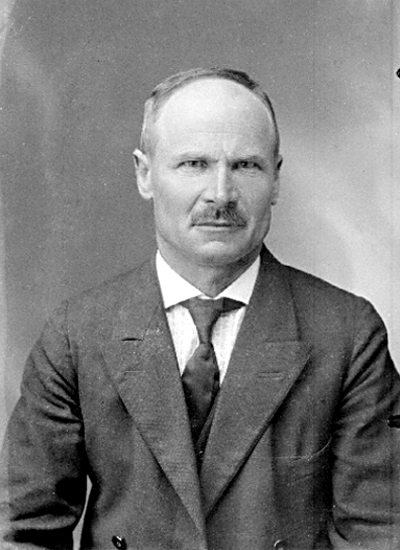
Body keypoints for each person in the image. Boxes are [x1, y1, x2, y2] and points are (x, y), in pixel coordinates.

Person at [1, 67, 400, 550]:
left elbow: (380, 533)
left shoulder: (347, 334)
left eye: (246, 166)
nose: (221, 194)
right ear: (145, 174)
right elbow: (22, 532)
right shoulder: (76, 335)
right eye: (194, 164)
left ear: (276, 179)